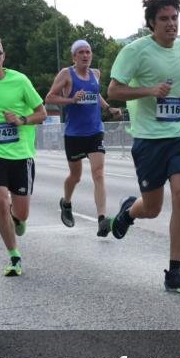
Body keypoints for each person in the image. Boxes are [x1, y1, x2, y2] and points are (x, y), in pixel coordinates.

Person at [106, 0, 180, 294]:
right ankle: (128, 212)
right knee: (152, 208)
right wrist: (150, 90)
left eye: (174, 18)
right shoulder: (136, 51)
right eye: (164, 19)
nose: (171, 24)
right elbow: (113, 90)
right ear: (151, 23)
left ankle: (174, 272)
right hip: (149, 138)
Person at [0, 34, 47, 277]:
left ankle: (18, 218)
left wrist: (21, 120)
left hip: (21, 154)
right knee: (1, 201)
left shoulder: (20, 80)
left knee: (21, 213)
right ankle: (14, 256)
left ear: (3, 55)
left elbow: (42, 113)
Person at [45, 39, 121, 236]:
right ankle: (66, 203)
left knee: (98, 173)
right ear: (74, 56)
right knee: (76, 176)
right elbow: (49, 98)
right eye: (81, 52)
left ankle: (102, 219)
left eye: (88, 52)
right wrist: (71, 99)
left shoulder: (95, 74)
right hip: (74, 134)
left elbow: (96, 95)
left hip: (95, 131)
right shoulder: (66, 74)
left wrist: (108, 108)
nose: (85, 55)